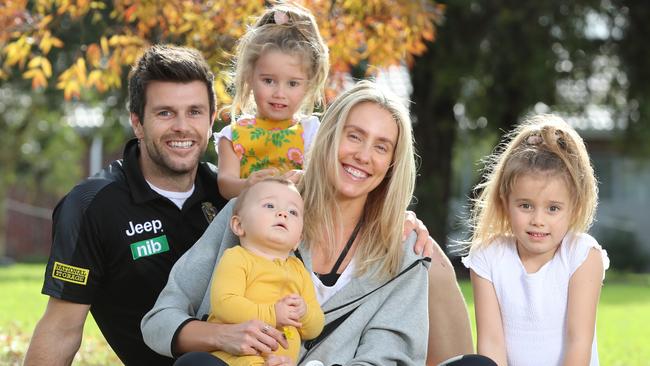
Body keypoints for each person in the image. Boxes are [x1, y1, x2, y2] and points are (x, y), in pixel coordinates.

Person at [143, 80, 436, 365]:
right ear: (328, 136)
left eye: (381, 147)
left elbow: (390, 356)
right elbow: (161, 319)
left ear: (392, 165)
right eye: (354, 136)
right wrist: (221, 336)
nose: (363, 156)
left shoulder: (402, 254)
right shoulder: (252, 213)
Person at [24, 44, 229, 365]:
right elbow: (62, 328)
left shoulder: (229, 195)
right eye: (165, 113)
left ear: (212, 119)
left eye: (194, 112)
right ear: (137, 122)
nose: (182, 127)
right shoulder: (92, 207)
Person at [462, 114, 609, 365]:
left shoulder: (583, 256)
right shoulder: (487, 257)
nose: (538, 220)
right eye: (526, 205)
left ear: (573, 208)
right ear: (505, 202)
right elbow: (491, 343)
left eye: (553, 208)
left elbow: (578, 342)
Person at [214, 3, 329, 199]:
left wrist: (306, 178)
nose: (279, 93)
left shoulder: (311, 132)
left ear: (308, 85)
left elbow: (325, 180)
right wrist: (247, 185)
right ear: (249, 77)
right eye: (268, 81)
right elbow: (225, 184)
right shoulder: (233, 136)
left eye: (292, 83)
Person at [208, 177, 324, 365]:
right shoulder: (237, 258)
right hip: (235, 357)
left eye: (293, 212)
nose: (282, 214)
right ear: (239, 225)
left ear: (298, 240)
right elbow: (224, 303)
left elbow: (314, 328)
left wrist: (304, 313)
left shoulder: (299, 270)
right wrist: (272, 314)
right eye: (270, 206)